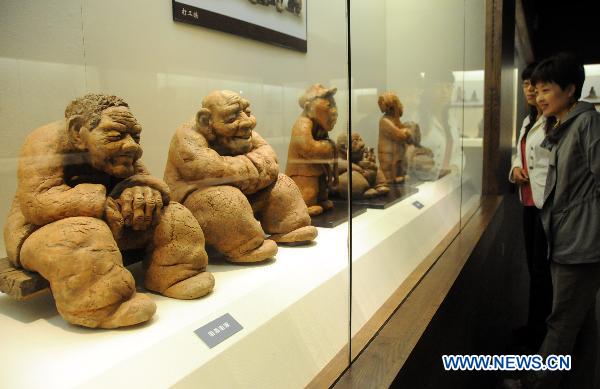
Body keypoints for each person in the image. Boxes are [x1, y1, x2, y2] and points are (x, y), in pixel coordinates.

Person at [504, 53, 600, 389]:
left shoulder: (586, 124)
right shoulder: (563, 124)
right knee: (582, 319)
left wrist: (586, 220)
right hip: (565, 235)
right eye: (536, 89)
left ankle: (537, 384)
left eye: (547, 89)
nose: (539, 96)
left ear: (570, 89)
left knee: (560, 321)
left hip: (580, 241)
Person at [508, 62, 552, 351]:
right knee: (534, 270)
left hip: (545, 205)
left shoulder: (551, 119)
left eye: (535, 85)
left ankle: (541, 332)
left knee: (542, 271)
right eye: (525, 84)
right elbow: (518, 152)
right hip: (528, 203)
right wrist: (514, 171)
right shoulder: (528, 119)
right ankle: (535, 326)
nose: (530, 90)